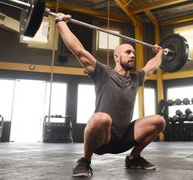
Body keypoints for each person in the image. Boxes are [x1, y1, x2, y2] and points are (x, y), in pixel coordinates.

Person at [55, 13, 166, 177]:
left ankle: (134, 158)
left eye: (134, 53)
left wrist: (161, 52)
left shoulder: (136, 78)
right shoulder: (103, 73)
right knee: (102, 118)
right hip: (102, 140)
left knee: (159, 121)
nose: (133, 55)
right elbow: (79, 50)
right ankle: (85, 161)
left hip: (124, 138)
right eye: (128, 52)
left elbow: (152, 66)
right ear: (116, 57)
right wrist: (60, 22)